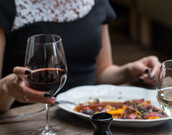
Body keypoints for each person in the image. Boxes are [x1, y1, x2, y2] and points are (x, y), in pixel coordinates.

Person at [0, 0, 161, 112]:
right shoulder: (7, 5)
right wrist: (7, 87)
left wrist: (130, 71)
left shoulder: (94, 2)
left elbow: (101, 72)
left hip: (85, 115)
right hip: (26, 123)